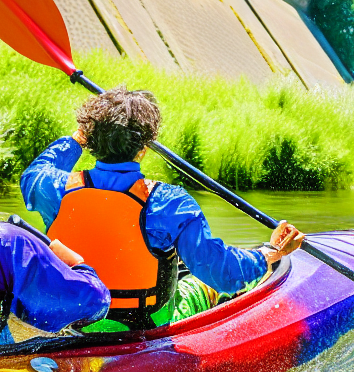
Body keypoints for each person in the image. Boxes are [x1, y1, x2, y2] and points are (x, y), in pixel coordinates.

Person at [20, 86, 303, 331]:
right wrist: (271, 252)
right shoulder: (171, 203)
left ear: (90, 141)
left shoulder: (53, 188)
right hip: (144, 327)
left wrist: (75, 140)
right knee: (207, 282)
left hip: (74, 322)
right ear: (143, 149)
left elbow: (34, 173)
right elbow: (222, 273)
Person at [0, 194, 110, 344]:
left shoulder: (14, 249)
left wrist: (77, 265)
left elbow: (95, 299)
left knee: (92, 298)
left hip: (12, 253)